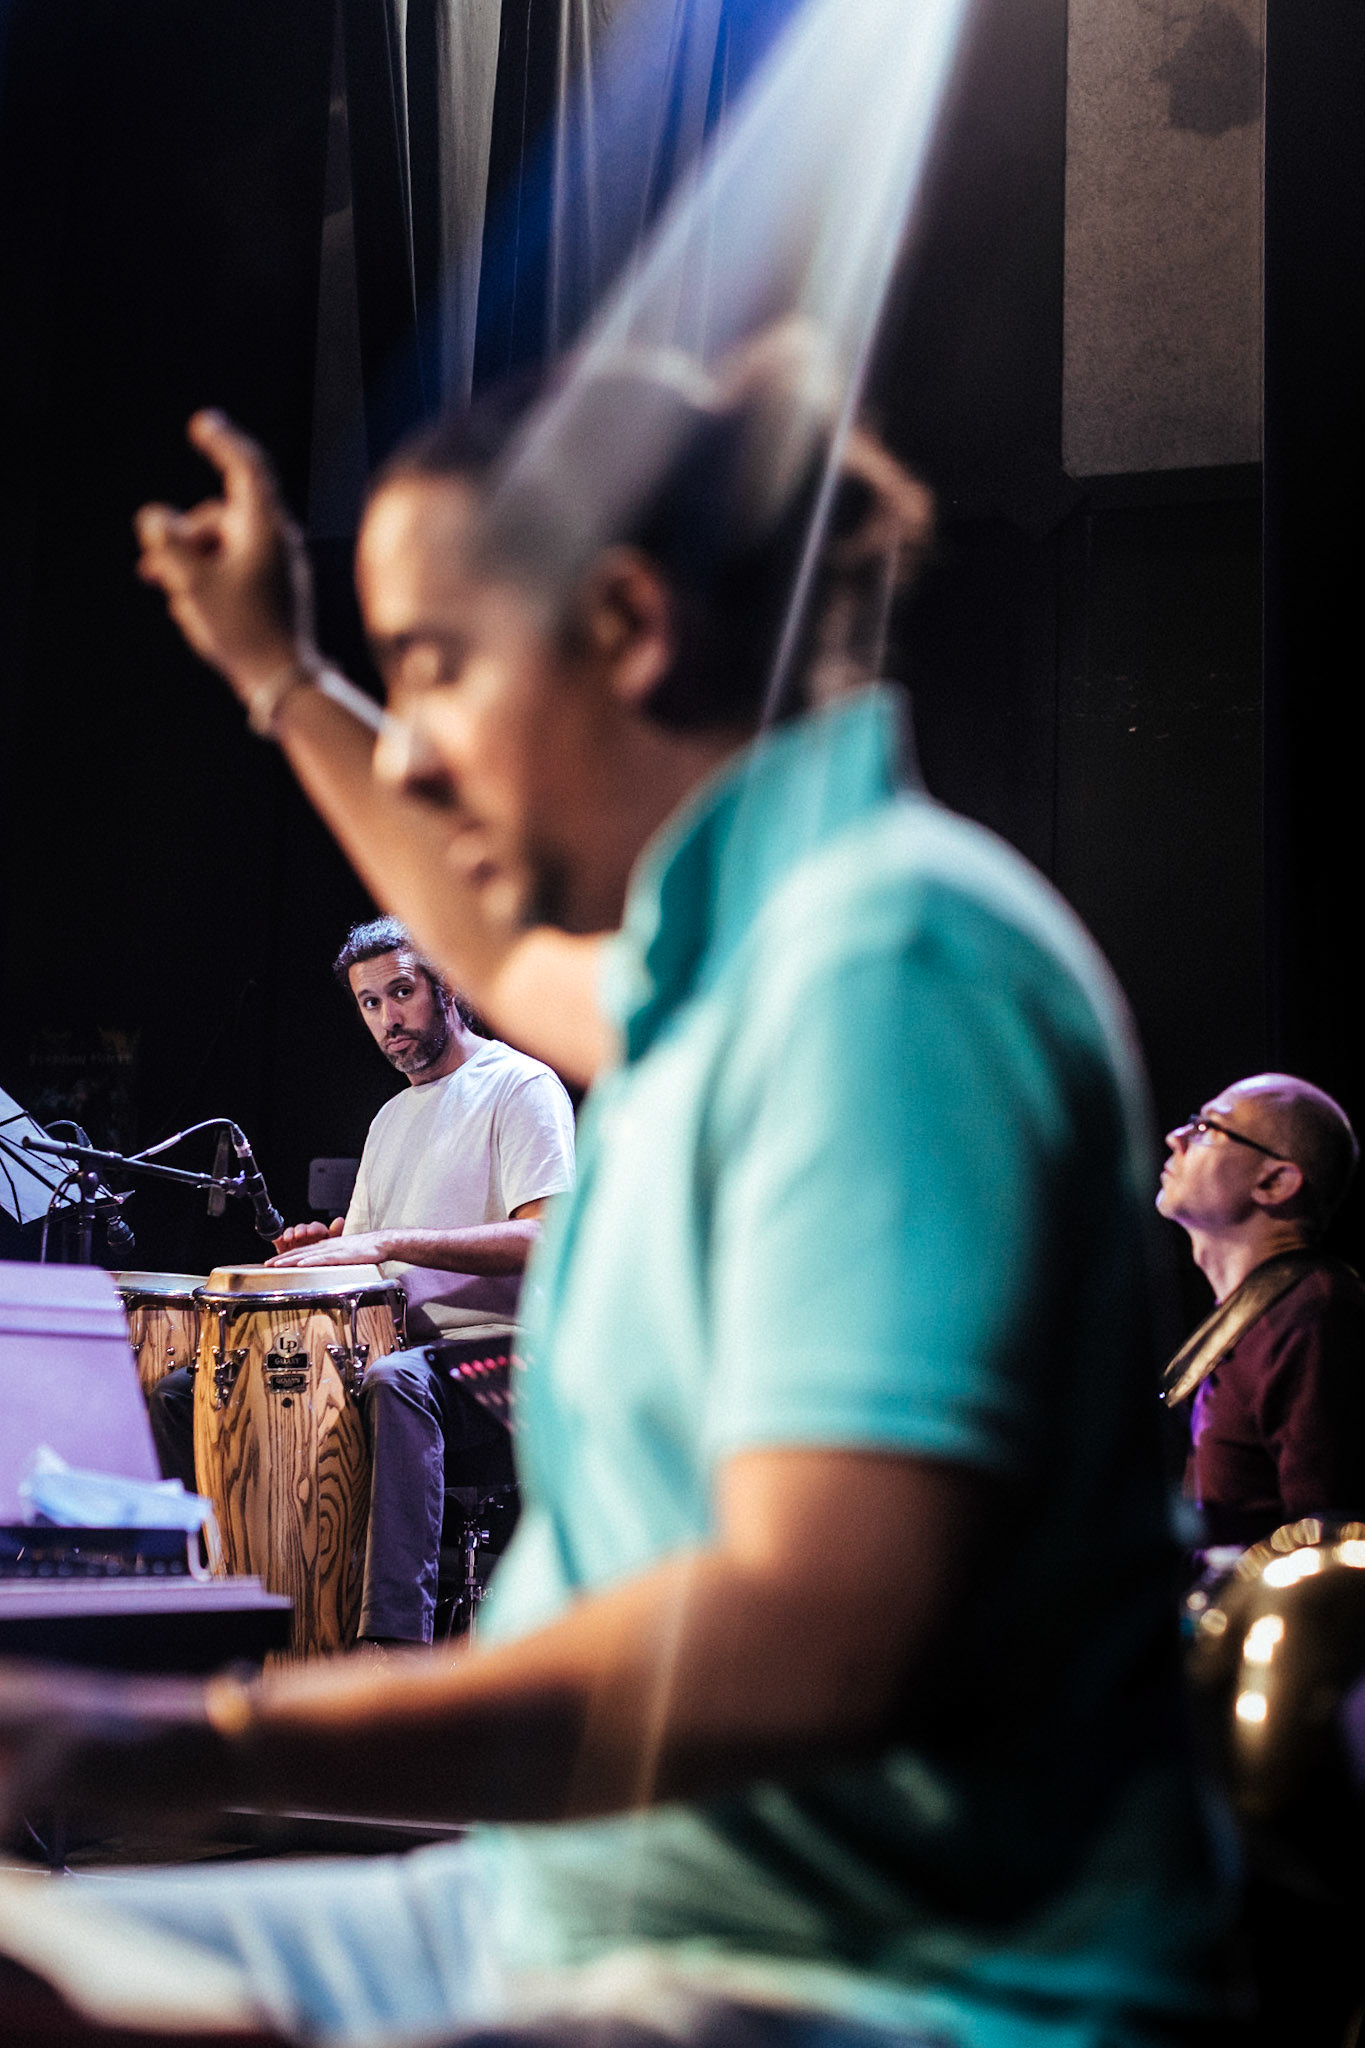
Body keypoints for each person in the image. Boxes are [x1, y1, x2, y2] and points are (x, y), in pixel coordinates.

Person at [0, 353, 1229, 2048]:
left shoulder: (884, 970)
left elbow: (796, 1647)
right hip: (572, 1911)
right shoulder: (732, 958)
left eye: (435, 664)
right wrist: (278, 673)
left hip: (874, 1979)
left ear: (630, 626)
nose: (410, 751)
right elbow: (490, 941)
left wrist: (169, 1736)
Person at [150, 915, 577, 1645]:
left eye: (402, 992)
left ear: (448, 986)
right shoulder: (390, 1118)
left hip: (505, 1358)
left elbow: (544, 1237)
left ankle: (392, 1644)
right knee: (185, 1393)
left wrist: (385, 1239)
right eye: (369, 1003)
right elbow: (369, 1258)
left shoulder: (518, 1086)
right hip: (398, 1346)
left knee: (396, 1383)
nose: (387, 1019)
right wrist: (327, 1249)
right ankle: (200, 1614)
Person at [1157, 1072, 1365, 1547]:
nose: (1175, 1138)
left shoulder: (1317, 1316)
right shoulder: (1251, 1318)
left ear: (1274, 1182)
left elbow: (1328, 1551)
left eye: (1206, 1128)